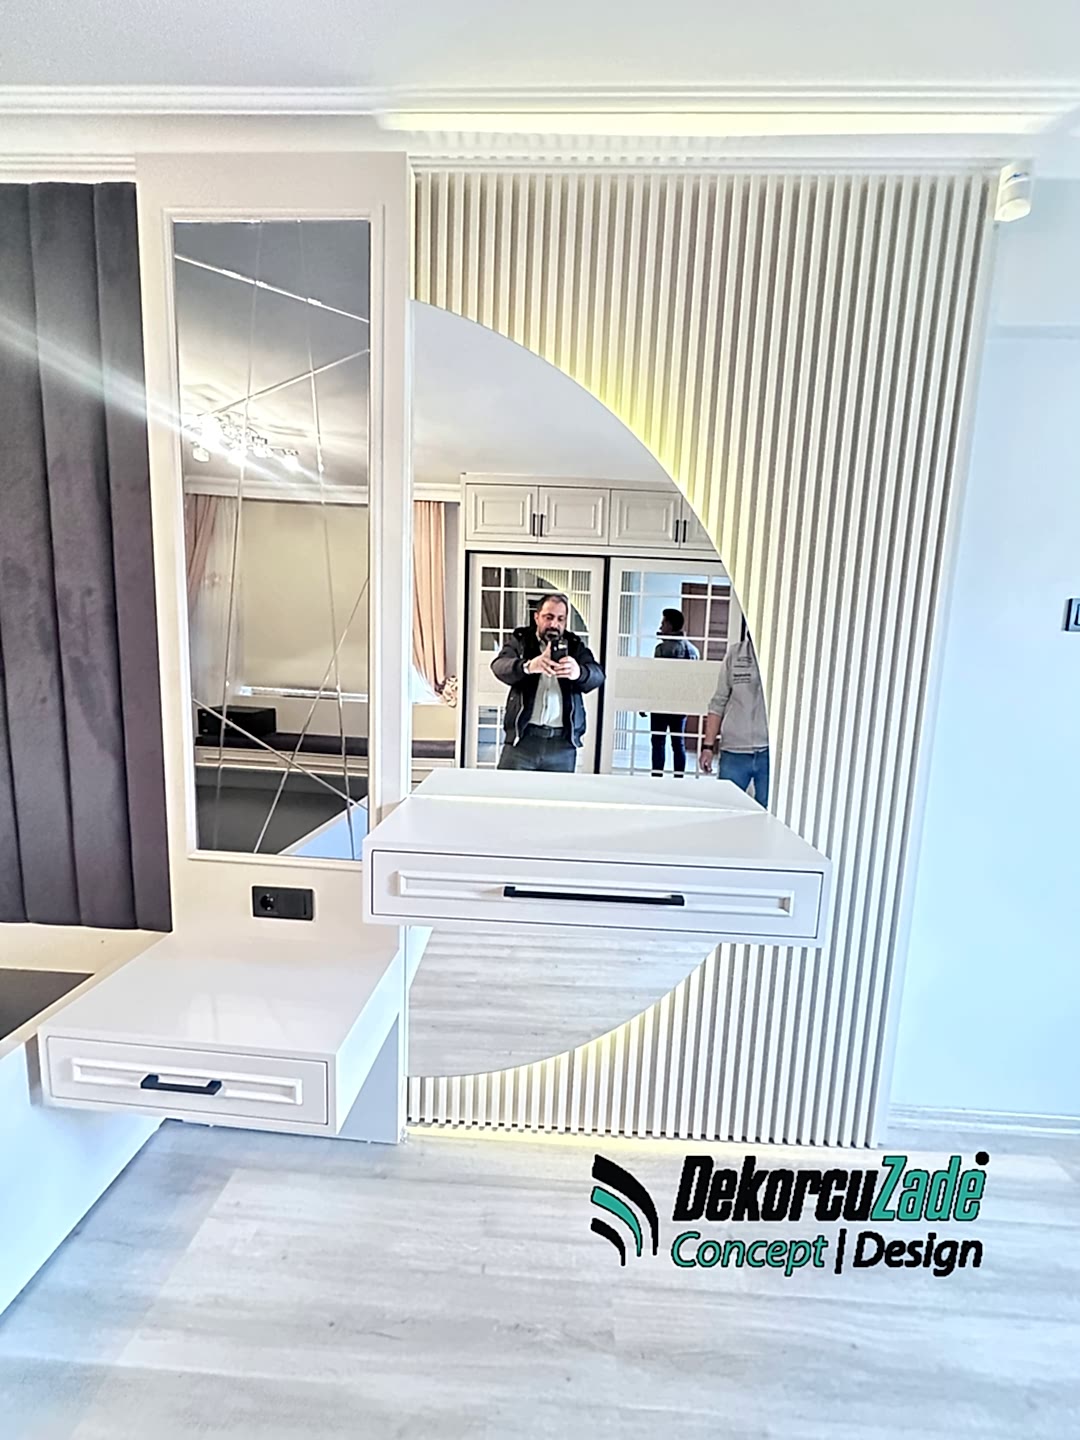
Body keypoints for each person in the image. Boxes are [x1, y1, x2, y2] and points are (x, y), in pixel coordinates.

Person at [491, 592, 605, 772]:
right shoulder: (521, 641)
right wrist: (528, 666)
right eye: (548, 617)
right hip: (522, 741)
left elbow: (598, 675)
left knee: (559, 791)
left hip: (562, 746)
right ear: (536, 617)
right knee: (509, 789)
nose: (554, 624)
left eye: (560, 619)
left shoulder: (574, 645)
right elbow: (498, 666)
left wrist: (579, 673)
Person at [698, 635, 769, 806]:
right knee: (728, 807)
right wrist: (708, 747)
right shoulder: (735, 654)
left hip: (770, 752)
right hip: (734, 751)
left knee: (770, 810)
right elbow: (718, 701)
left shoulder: (785, 656)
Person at [650, 608, 700, 777]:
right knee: (678, 744)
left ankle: (657, 777)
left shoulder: (662, 649)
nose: (660, 626)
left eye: (663, 623)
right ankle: (679, 778)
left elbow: (657, 678)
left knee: (658, 742)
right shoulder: (693, 650)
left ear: (670, 625)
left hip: (661, 703)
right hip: (681, 705)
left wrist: (646, 701)